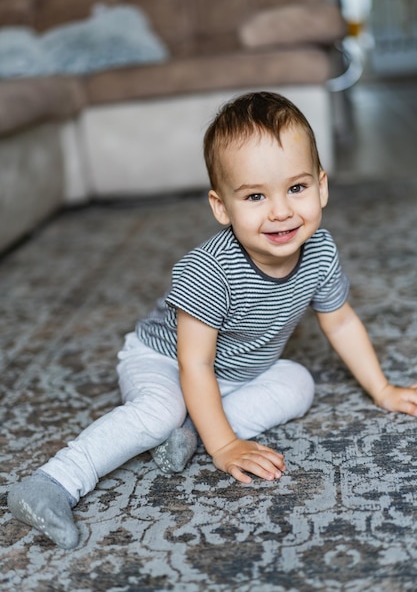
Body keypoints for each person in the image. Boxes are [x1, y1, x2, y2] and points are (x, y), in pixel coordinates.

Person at [8, 91, 417, 550]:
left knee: (299, 382)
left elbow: (340, 323)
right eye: (256, 196)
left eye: (296, 188)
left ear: (322, 186)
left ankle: (189, 434)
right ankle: (52, 483)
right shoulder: (210, 271)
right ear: (222, 207)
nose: (280, 210)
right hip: (166, 360)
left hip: (237, 370)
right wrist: (225, 446)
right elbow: (194, 365)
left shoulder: (320, 252)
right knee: (159, 411)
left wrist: (382, 388)